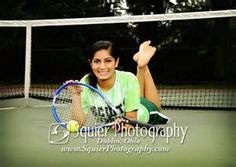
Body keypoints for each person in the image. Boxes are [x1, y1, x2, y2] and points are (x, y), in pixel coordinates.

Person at [76, 40, 169, 126]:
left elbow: (131, 120)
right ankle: (141, 64)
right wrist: (75, 95)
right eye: (97, 61)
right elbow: (78, 123)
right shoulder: (85, 82)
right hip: (130, 102)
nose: (102, 66)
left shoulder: (128, 78)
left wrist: (123, 123)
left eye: (108, 61)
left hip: (146, 110)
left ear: (116, 62)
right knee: (136, 96)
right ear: (90, 63)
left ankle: (142, 66)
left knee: (156, 107)